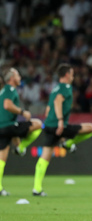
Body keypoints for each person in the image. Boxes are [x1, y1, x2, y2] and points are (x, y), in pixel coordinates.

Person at [33, 64, 92, 196]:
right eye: (72, 74)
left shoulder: (55, 88)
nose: (73, 76)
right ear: (67, 75)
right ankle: (68, 143)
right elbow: (57, 102)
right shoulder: (66, 87)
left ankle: (36, 188)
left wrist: (53, 121)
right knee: (91, 128)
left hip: (49, 125)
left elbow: (48, 109)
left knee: (45, 157)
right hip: (59, 125)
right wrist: (61, 121)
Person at [0, 68, 42, 196]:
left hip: (3, 127)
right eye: (17, 75)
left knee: (2, 157)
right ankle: (21, 147)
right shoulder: (10, 89)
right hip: (8, 125)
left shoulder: (3, 91)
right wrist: (22, 112)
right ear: (12, 78)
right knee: (38, 124)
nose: (20, 77)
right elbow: (7, 105)